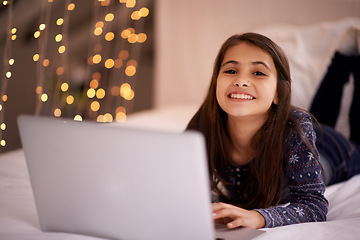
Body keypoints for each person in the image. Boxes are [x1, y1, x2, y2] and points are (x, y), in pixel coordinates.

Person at [186, 32, 360, 229]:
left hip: (334, 151)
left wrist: (259, 217)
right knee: (318, 118)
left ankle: (345, 59)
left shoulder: (297, 126)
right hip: (303, 135)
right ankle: (344, 57)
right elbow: (184, 183)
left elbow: (314, 207)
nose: (241, 81)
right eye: (231, 71)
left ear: (280, 92)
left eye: (258, 72)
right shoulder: (202, 123)